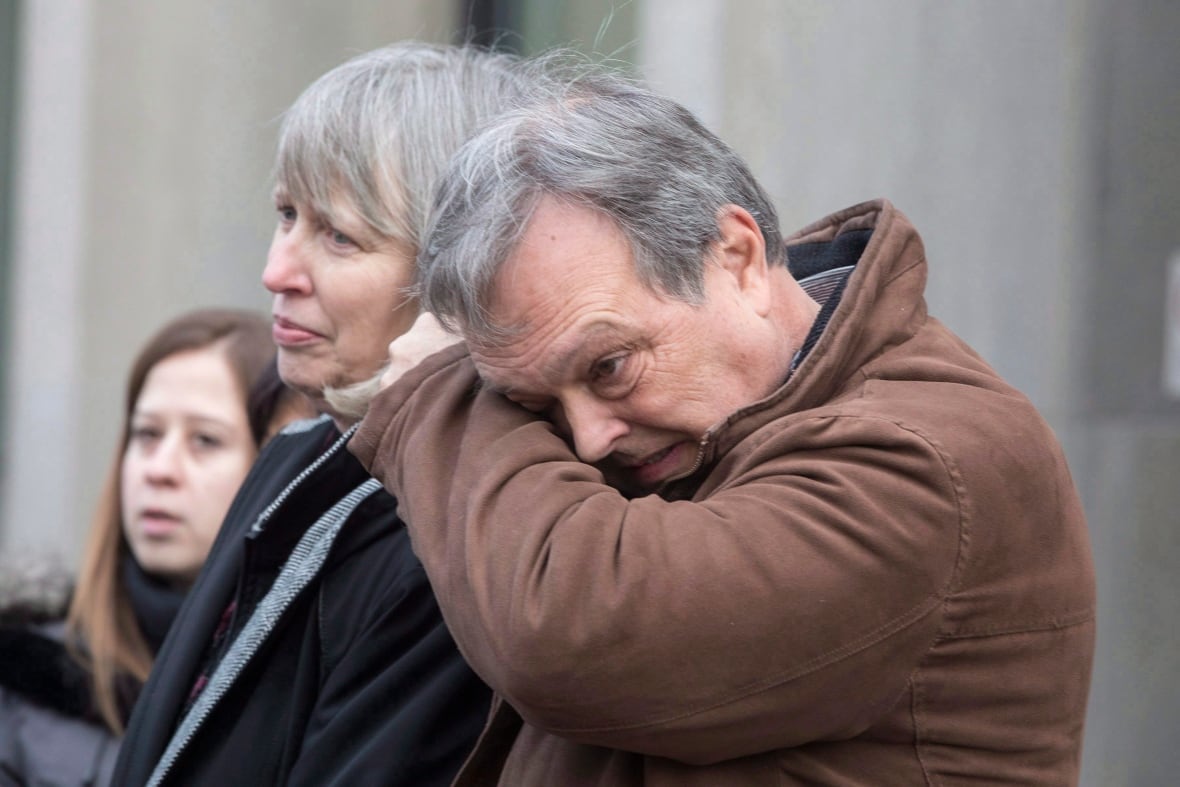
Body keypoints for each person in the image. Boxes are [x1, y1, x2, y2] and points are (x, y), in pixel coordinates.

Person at [349, 72, 1098, 785]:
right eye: (535, 405)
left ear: (737, 259)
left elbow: (569, 633)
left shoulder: (926, 462)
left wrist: (433, 398)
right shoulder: (728, 415)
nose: (588, 440)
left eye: (609, 366)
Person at [113, 43, 546, 787]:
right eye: (286, 214)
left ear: (463, 268)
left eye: (338, 235)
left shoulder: (461, 540)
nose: (276, 270)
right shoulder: (302, 455)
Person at [0, 307, 304, 787]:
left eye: (205, 440)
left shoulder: (312, 694)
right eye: (146, 435)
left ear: (276, 466)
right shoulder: (19, 688)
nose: (158, 469)